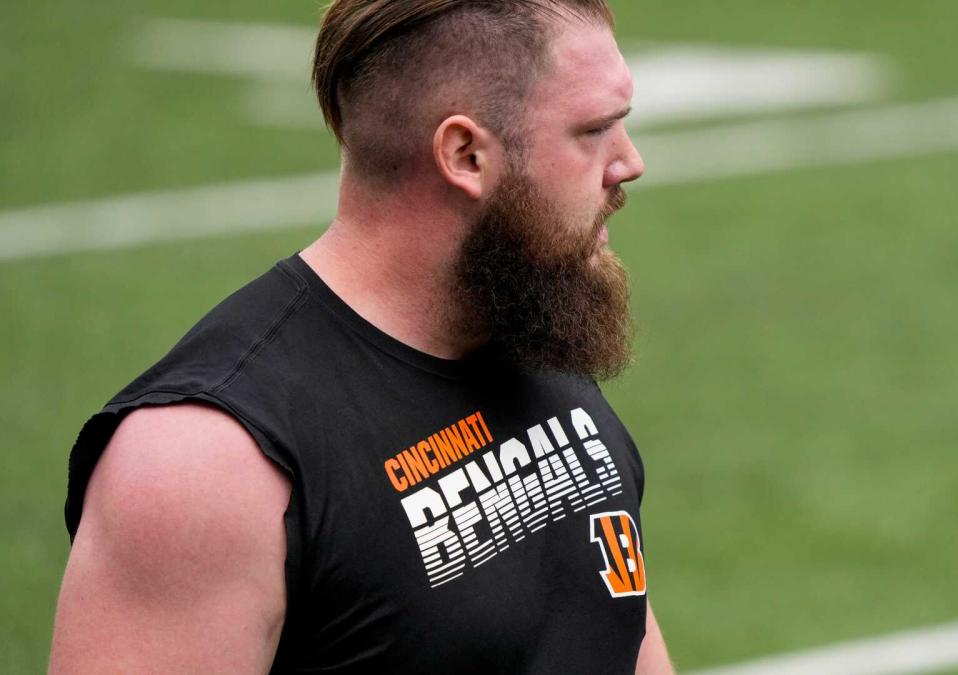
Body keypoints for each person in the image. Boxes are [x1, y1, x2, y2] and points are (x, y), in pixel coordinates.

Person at [49, 0, 672, 672]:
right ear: (465, 155)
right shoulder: (204, 461)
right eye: (594, 130)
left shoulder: (532, 330)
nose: (628, 163)